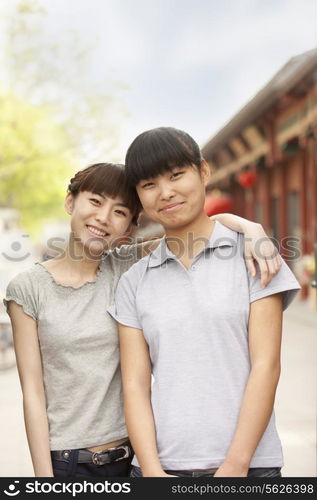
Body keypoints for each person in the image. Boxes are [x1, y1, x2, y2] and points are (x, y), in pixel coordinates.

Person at [4, 162, 280, 478]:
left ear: (130, 228)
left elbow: (195, 225)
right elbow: (33, 394)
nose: (103, 218)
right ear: (71, 201)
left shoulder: (129, 269)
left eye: (120, 212)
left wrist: (249, 228)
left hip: (137, 457)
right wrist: (44, 480)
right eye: (95, 201)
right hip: (69, 462)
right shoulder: (27, 288)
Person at [108, 127, 301, 478]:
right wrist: (151, 471)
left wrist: (235, 465)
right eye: (149, 184)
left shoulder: (254, 257)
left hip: (250, 466)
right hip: (161, 467)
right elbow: (135, 384)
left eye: (176, 175)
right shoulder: (134, 281)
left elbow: (266, 366)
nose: (166, 193)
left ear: (204, 171)